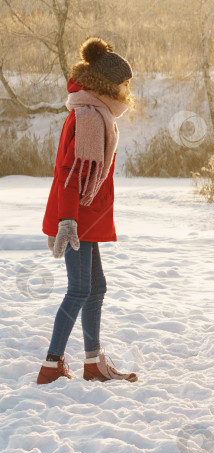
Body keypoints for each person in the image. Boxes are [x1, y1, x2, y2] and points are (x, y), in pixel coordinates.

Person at [37, 38, 137, 384]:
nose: (128, 88)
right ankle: (51, 365)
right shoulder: (88, 117)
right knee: (80, 289)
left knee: (97, 288)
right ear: (109, 85)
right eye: (125, 83)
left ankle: (93, 363)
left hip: (86, 217)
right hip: (76, 219)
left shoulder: (98, 113)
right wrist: (67, 221)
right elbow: (68, 173)